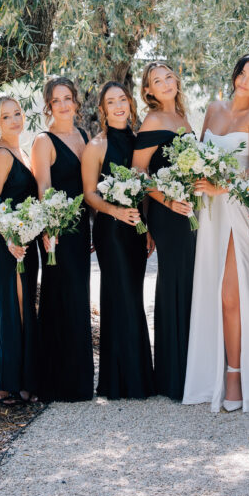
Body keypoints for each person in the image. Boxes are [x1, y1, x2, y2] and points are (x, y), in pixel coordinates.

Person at [183, 53, 249, 413]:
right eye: (242, 73)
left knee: (231, 294)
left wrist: (220, 186)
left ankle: (236, 374)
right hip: (208, 212)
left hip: (236, 209)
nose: (245, 81)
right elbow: (198, 153)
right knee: (210, 289)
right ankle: (209, 371)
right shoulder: (213, 108)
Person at [82, 80, 154, 400]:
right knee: (121, 295)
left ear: (130, 103)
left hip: (136, 228)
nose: (118, 105)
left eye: (122, 99)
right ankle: (128, 382)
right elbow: (89, 193)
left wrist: (148, 228)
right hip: (111, 230)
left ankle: (125, 379)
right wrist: (115, 211)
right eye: (111, 102)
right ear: (103, 109)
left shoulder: (140, 141)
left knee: (130, 295)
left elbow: (146, 190)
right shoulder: (97, 146)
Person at [132, 61, 196, 400]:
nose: (166, 82)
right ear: (149, 92)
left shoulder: (183, 118)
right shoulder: (154, 120)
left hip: (189, 209)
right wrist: (168, 202)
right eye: (158, 80)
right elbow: (138, 172)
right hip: (168, 211)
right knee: (174, 281)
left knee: (189, 281)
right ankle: (173, 374)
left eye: (169, 76)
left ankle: (191, 365)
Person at [31, 78, 94, 402]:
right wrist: (48, 228)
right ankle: (55, 383)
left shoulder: (84, 136)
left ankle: (80, 382)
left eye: (68, 98)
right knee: (59, 298)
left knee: (78, 298)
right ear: (49, 106)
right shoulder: (44, 141)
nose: (64, 104)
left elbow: (89, 186)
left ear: (76, 101)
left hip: (80, 228)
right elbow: (43, 186)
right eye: (57, 100)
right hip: (56, 231)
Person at [0, 96, 40, 405]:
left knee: (22, 305)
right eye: (7, 117)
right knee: (10, 306)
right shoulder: (1, 153)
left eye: (18, 113)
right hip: (7, 240)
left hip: (23, 238)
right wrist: (8, 236)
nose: (16, 120)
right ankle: (6, 383)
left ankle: (23, 378)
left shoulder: (21, 151)